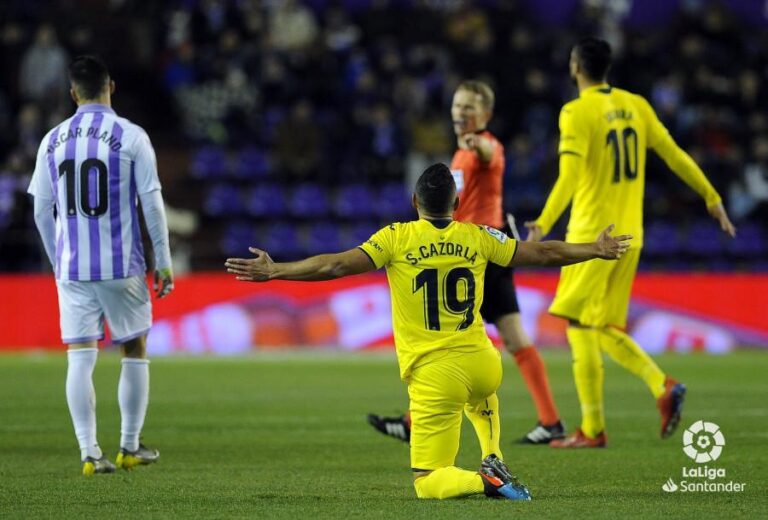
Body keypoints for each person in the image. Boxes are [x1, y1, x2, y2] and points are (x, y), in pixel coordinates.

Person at [225, 163, 631, 500]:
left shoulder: (396, 238)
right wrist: (594, 249)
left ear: (415, 202)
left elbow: (334, 266)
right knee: (481, 393)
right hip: (483, 362)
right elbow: (543, 252)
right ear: (456, 204)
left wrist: (276, 270)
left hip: (436, 373)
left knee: (427, 481)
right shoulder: (478, 236)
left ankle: (485, 478)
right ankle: (494, 454)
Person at [524, 38, 736, 448]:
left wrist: (543, 222)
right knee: (598, 327)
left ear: (575, 67)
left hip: (592, 238)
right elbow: (674, 154)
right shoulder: (636, 105)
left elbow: (568, 176)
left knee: (580, 325)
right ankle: (648, 394)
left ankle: (603, 422)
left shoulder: (575, 111)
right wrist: (711, 196)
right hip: (630, 236)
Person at [368, 80, 566, 446]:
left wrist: (480, 142)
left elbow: (491, 152)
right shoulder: (458, 156)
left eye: (469, 108)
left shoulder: (484, 146)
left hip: (483, 253)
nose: (461, 113)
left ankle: (416, 421)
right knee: (505, 336)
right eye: (457, 106)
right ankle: (550, 421)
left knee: (460, 338)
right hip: (472, 251)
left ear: (486, 115)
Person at [27, 55, 174, 474]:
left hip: (72, 269)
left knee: (80, 356)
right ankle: (129, 446)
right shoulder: (130, 136)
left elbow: (41, 210)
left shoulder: (51, 139)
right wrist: (162, 262)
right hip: (120, 266)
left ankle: (89, 452)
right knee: (134, 348)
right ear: (112, 85)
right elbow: (152, 202)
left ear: (73, 92)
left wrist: (59, 263)